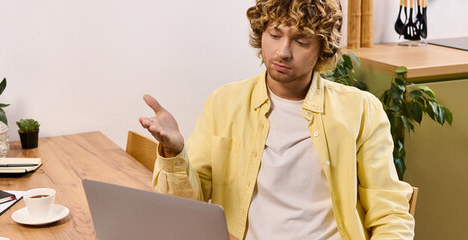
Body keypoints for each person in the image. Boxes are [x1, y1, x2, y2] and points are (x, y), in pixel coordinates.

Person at [139, 0, 415, 239]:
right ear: (261, 35)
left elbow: (390, 214)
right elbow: (190, 207)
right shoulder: (224, 102)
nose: (283, 51)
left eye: (301, 41)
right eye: (275, 34)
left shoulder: (361, 110)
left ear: (323, 49)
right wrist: (174, 152)